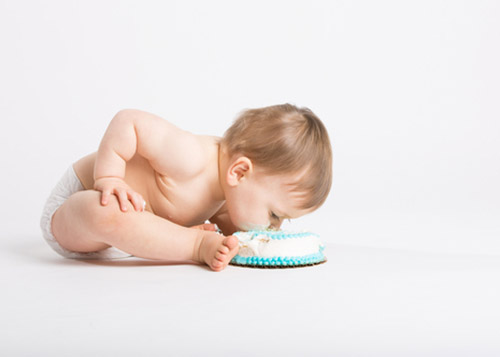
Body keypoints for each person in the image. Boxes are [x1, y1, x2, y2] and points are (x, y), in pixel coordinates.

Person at [40, 103, 332, 271]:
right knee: (105, 211)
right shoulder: (190, 157)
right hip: (77, 206)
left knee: (124, 217)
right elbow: (128, 121)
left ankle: (177, 239)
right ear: (240, 172)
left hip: (125, 242)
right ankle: (192, 245)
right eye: (274, 215)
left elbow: (237, 233)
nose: (273, 228)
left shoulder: (229, 195)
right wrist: (110, 178)